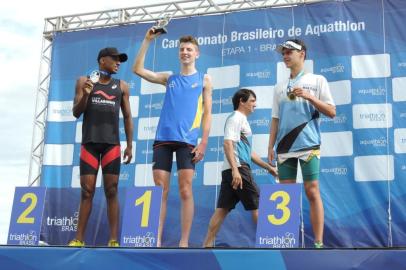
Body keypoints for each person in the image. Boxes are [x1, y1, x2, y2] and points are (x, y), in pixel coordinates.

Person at [133, 28, 213, 247]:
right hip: (163, 140)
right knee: (160, 191)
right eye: (182, 49)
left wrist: (204, 142)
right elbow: (137, 69)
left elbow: (208, 113)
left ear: (197, 53)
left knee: (186, 189)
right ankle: (156, 240)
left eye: (189, 49)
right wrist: (148, 39)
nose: (185, 52)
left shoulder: (204, 79)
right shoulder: (169, 78)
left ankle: (184, 242)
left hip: (187, 142)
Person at [268, 39, 336, 248]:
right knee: (286, 195)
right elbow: (275, 119)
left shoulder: (317, 80)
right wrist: (270, 146)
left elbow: (332, 112)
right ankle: (285, 241)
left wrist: (309, 97)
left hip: (309, 144)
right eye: (284, 53)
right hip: (285, 147)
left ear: (302, 54)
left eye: (290, 52)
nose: (286, 56)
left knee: (312, 190)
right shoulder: (279, 87)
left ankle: (318, 242)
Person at [69, 47, 133, 247]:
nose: (118, 63)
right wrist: (87, 95)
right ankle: (79, 239)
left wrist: (130, 145)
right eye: (115, 59)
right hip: (89, 144)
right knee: (87, 191)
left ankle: (113, 239)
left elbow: (128, 117)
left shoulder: (122, 86)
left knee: (111, 190)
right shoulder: (83, 81)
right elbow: (76, 113)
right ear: (102, 60)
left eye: (120, 60)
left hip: (111, 145)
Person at [203, 89, 278, 248]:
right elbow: (227, 143)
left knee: (222, 209)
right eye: (252, 101)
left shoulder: (242, 120)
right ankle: (268, 244)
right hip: (237, 169)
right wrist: (236, 170)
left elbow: (248, 152)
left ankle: (206, 246)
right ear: (241, 101)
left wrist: (268, 167)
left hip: (231, 169)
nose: (255, 105)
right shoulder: (236, 117)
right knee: (260, 205)